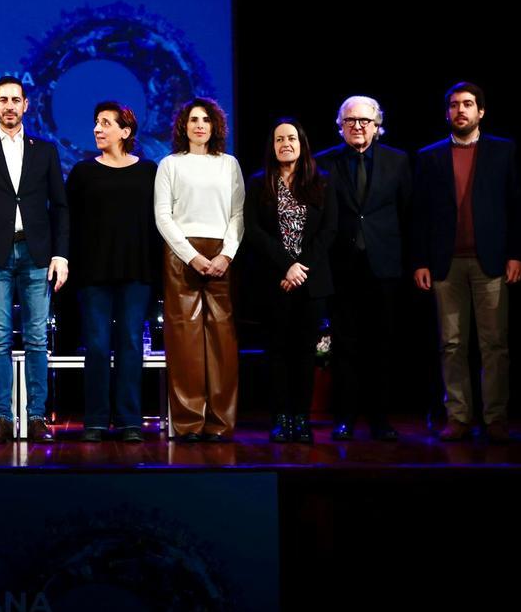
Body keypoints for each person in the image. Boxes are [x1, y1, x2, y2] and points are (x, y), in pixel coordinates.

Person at [0, 76, 69, 444]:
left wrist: (60, 254)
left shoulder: (45, 150)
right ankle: (2, 418)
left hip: (37, 254)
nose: (9, 105)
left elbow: (61, 208)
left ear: (26, 105)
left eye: (15, 99)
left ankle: (37, 417)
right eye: (2, 99)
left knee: (37, 338)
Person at [412, 82, 521, 443]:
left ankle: (495, 418)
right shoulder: (430, 156)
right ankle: (458, 416)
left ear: (481, 112)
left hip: (490, 260)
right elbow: (419, 214)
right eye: (454, 105)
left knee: (494, 344)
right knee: (451, 343)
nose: (460, 110)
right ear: (447, 112)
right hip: (446, 263)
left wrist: (516, 253)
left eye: (468, 104)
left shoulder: (502, 151)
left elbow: (517, 207)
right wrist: (420, 260)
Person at [316, 96, 411, 441]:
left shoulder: (398, 161)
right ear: (340, 125)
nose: (358, 126)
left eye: (365, 121)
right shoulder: (323, 163)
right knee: (344, 346)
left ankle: (380, 419)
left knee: (382, 345)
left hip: (383, 266)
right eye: (350, 120)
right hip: (341, 267)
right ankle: (345, 417)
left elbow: (407, 213)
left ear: (377, 125)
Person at [67, 101, 159, 443]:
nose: (97, 128)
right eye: (96, 122)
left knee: (132, 344)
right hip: (94, 271)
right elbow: (69, 222)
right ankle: (95, 420)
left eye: (106, 122)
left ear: (126, 131)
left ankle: (129, 420)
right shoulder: (82, 172)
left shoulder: (148, 171)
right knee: (96, 345)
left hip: (136, 269)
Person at [154, 97, 245, 443]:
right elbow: (163, 216)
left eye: (206, 119)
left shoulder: (229, 165)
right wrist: (191, 256)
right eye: (193, 119)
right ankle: (189, 423)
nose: (200, 125)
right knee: (185, 341)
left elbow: (238, 214)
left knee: (222, 342)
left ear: (215, 125)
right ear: (183, 126)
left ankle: (220, 422)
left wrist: (227, 255)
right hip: (182, 254)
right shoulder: (170, 165)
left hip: (222, 253)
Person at [244, 118, 335, 444]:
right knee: (277, 352)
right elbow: (253, 230)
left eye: (291, 138)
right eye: (279, 139)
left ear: (302, 143)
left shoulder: (320, 181)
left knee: (305, 353)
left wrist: (301, 268)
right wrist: (287, 267)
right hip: (274, 281)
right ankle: (281, 418)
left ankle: (301, 418)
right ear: (272, 145)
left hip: (311, 283)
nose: (285, 143)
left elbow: (328, 231)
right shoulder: (258, 183)